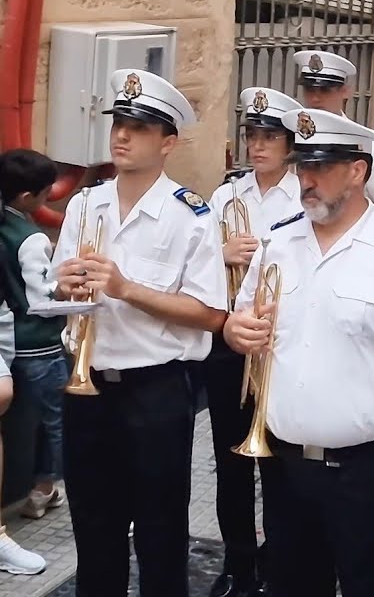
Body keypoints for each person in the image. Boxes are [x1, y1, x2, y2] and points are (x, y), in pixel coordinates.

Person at [223, 108, 374, 597]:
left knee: (369, 585)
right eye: (302, 167)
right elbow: (241, 321)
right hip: (286, 465)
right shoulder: (278, 243)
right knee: (290, 584)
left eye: (321, 167)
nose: (306, 180)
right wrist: (236, 332)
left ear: (358, 170)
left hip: (370, 469)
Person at [52, 69, 227, 595]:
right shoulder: (85, 203)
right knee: (93, 525)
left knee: (160, 527)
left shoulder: (191, 216)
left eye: (139, 127)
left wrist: (126, 288)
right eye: (119, 123)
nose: (122, 136)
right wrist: (64, 286)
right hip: (89, 387)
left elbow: (209, 313)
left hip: (156, 389)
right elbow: (59, 293)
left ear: (167, 142)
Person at [205, 87, 304, 597]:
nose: (258, 147)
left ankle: (280, 560)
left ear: (289, 145)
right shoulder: (226, 196)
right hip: (233, 341)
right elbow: (196, 265)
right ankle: (239, 562)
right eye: (252, 136)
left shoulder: (302, 194)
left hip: (285, 343)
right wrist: (221, 252)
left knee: (282, 468)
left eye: (270, 138)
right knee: (231, 467)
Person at [0, 149, 59, 575]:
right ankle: (43, 488)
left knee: (19, 421)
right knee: (54, 420)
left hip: (10, 344)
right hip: (38, 342)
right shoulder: (32, 237)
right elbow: (42, 297)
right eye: (43, 194)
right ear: (26, 196)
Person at [292, 50, 374, 213]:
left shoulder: (370, 149)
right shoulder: (291, 141)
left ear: (345, 91)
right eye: (309, 90)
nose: (315, 98)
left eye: (325, 90)